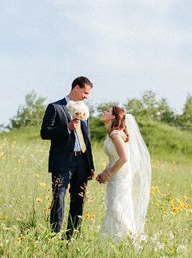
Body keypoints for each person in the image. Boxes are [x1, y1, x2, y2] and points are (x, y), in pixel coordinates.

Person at [41, 76, 95, 239]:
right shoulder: (55, 107)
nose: (87, 97)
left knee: (78, 200)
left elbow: (87, 139)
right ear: (76, 88)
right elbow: (45, 133)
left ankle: (71, 237)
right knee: (59, 198)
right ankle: (53, 235)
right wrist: (67, 127)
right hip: (63, 161)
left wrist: (90, 165)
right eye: (85, 93)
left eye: (88, 94)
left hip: (81, 162)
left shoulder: (85, 110)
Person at [96, 106, 151, 242]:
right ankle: (117, 240)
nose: (103, 112)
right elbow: (114, 158)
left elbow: (124, 158)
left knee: (116, 207)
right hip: (116, 175)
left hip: (121, 177)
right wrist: (104, 173)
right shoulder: (112, 134)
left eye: (107, 111)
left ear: (113, 117)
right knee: (115, 207)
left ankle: (132, 237)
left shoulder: (115, 134)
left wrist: (108, 173)